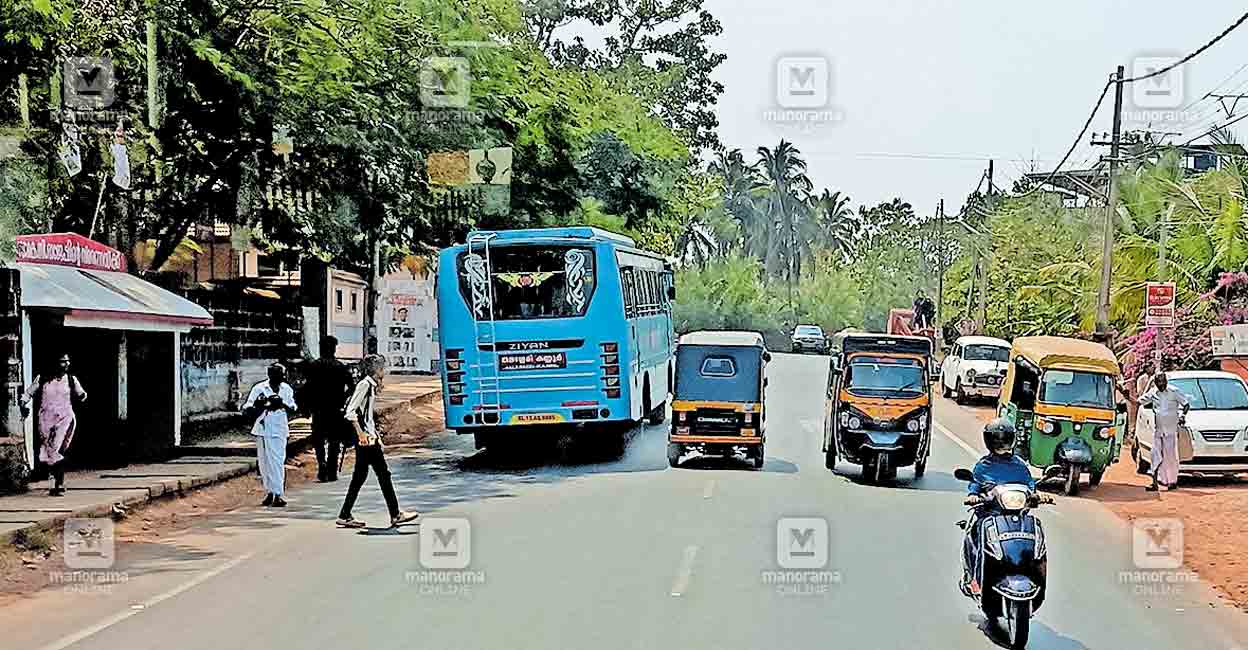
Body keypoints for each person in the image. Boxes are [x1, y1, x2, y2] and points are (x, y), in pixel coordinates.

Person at [336, 354, 420, 529]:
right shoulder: (365, 385)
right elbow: (350, 412)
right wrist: (361, 434)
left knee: (361, 477)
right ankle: (395, 514)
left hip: (369, 438)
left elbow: (367, 417)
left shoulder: (370, 385)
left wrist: (375, 436)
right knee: (383, 475)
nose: (384, 371)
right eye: (382, 368)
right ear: (377, 370)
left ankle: (345, 514)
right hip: (366, 440)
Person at [961, 419, 1036, 595]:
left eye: (1005, 437)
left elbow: (1030, 483)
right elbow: (974, 484)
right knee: (981, 535)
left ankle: (1034, 574)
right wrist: (973, 496)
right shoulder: (983, 465)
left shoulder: (1019, 464)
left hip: (1016, 513)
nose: (1001, 442)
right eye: (996, 438)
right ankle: (977, 581)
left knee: (1035, 528)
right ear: (989, 440)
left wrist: (1036, 494)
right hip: (989, 514)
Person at [21, 354, 87, 496]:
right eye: (63, 361)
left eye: (67, 361)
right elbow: (28, 393)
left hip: (65, 418)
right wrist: (22, 403)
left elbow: (81, 393)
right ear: (55, 363)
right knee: (49, 451)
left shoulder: (70, 379)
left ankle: (59, 483)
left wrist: (82, 396)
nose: (66, 364)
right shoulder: (42, 379)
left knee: (57, 448)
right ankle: (55, 483)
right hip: (46, 420)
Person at [243, 363, 297, 507]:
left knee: (277, 461)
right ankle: (270, 492)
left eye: (282, 374)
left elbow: (293, 409)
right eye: (276, 374)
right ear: (269, 374)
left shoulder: (286, 389)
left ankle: (278, 493)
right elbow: (247, 408)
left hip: (279, 430)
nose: (280, 377)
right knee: (265, 462)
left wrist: (281, 404)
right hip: (262, 428)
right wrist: (264, 405)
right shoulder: (259, 388)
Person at [303, 336, 354, 482]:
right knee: (334, 440)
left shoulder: (313, 366)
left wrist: (306, 407)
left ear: (321, 348)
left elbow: (306, 389)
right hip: (336, 409)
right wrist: (343, 399)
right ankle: (332, 470)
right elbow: (352, 388)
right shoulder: (340, 367)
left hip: (318, 410)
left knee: (318, 440)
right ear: (333, 348)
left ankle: (322, 465)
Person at [1138, 372, 1190, 492]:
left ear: (1166, 381)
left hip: (1171, 431)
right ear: (1155, 383)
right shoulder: (1153, 392)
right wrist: (1126, 396)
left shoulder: (1174, 391)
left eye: (1162, 381)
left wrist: (1182, 416)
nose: (1161, 384)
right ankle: (1155, 483)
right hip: (1158, 431)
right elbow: (1139, 402)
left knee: (1170, 457)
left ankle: (1172, 482)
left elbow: (1186, 405)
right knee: (1155, 456)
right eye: (1158, 382)